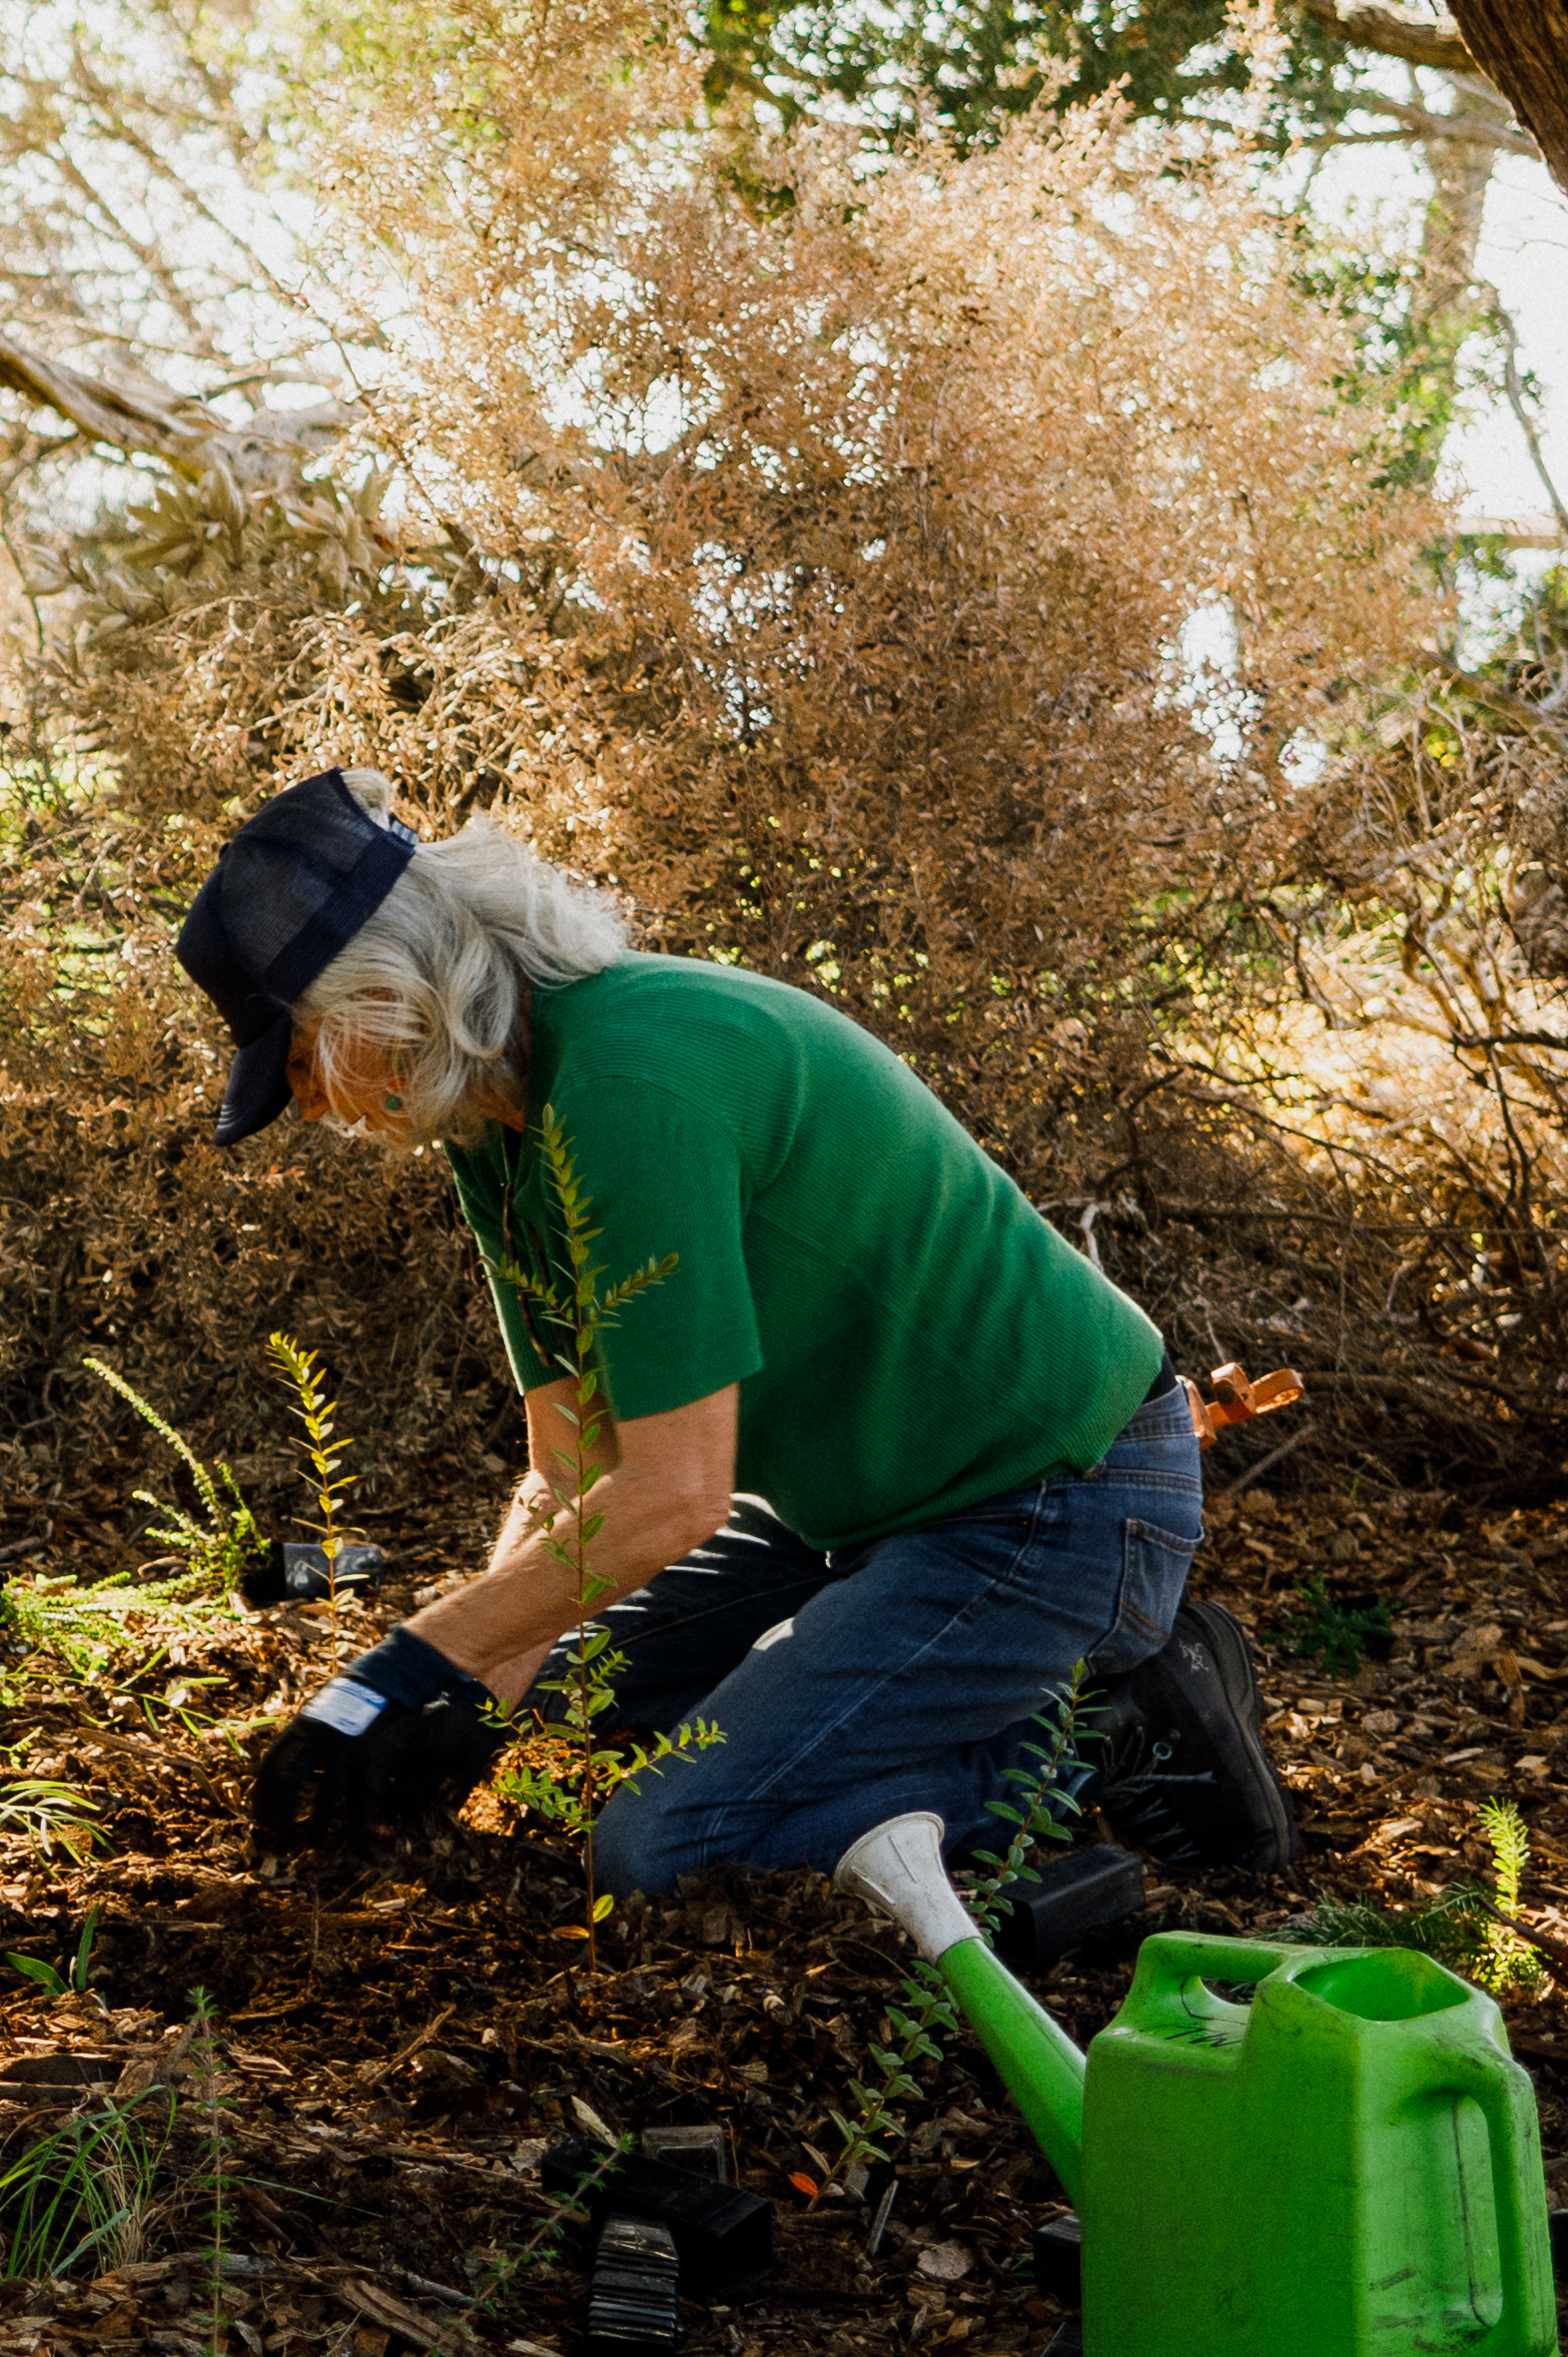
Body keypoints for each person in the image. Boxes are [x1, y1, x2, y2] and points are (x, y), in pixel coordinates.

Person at [184, 775, 1260, 1894]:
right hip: (855, 1513)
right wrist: (471, 1696)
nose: (307, 1106)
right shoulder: (492, 1132)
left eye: (299, 1058)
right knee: (555, 1685)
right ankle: (852, 1716)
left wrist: (407, 1666)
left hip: (1054, 1504)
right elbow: (568, 1466)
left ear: (383, 996)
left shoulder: (631, 1080)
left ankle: (1113, 1733)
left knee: (664, 1847)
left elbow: (672, 1495)